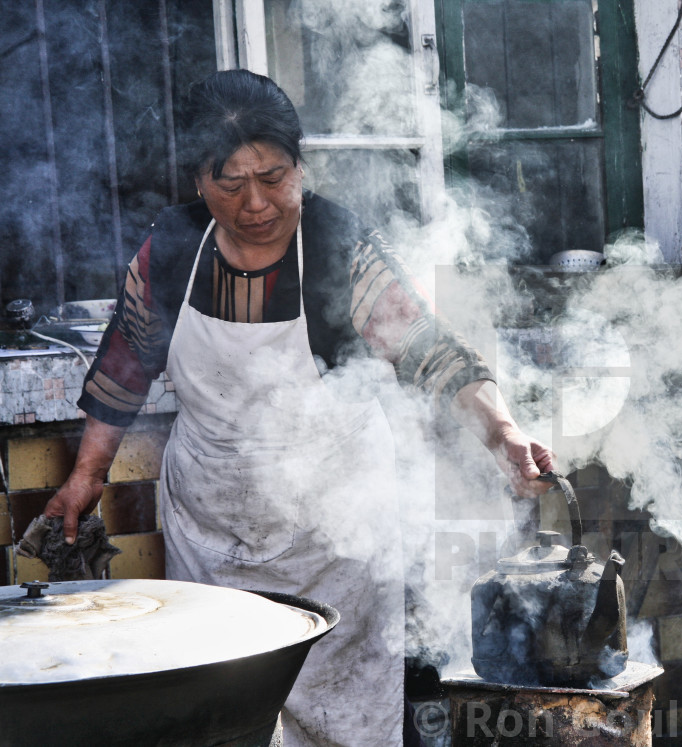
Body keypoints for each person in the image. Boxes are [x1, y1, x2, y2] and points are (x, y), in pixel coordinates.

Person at [42, 69, 554, 746]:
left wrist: (504, 431)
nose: (258, 202)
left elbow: (432, 352)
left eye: (275, 177)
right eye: (231, 183)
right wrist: (87, 473)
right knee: (220, 718)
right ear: (199, 182)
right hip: (211, 534)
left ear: (300, 167)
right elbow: (125, 363)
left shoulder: (338, 245)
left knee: (343, 722)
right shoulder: (170, 251)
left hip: (334, 540)